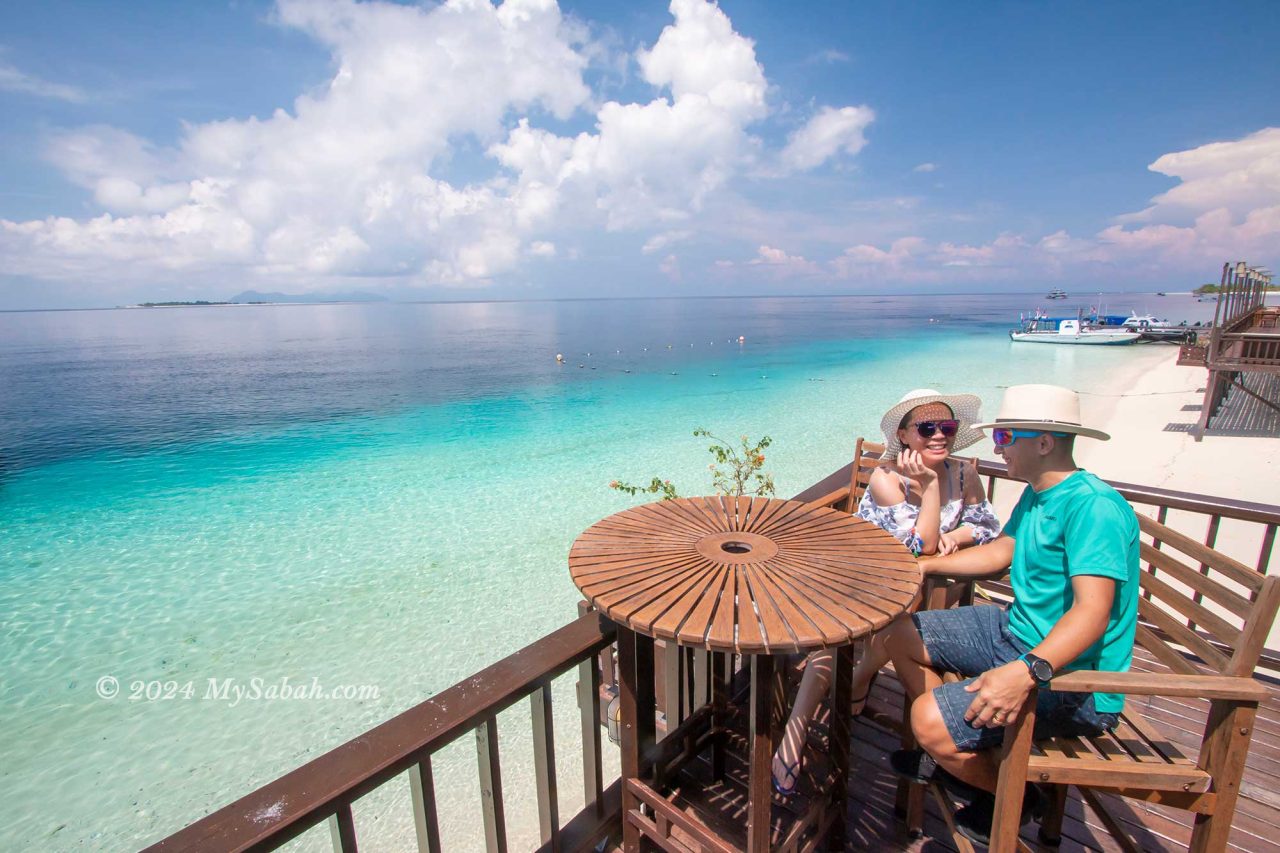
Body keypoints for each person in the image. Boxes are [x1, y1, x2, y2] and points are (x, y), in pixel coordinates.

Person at [883, 384, 1139, 846]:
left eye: (1005, 438)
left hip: (1071, 679)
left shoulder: (1093, 508)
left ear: (1043, 443)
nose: (997, 448)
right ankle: (958, 746)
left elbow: (1092, 613)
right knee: (899, 632)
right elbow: (1002, 550)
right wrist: (927, 565)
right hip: (1015, 631)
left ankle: (1017, 793)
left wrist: (1024, 673)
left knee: (927, 720)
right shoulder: (1041, 492)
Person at [772, 389, 1001, 796]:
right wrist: (930, 490)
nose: (938, 435)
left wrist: (957, 534)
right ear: (905, 435)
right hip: (859, 576)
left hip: (914, 587)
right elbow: (917, 547)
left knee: (903, 614)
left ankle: (859, 678)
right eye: (926, 427)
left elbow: (986, 525)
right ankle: (797, 728)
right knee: (835, 635)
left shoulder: (964, 473)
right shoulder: (886, 477)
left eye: (946, 426)